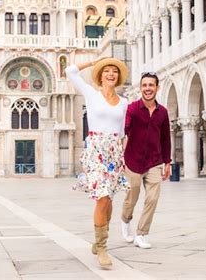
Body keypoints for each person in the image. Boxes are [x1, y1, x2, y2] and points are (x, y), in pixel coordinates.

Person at [65, 57, 130, 269]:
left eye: (114, 71)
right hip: (95, 150)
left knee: (108, 199)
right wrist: (94, 61)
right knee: (102, 198)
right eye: (106, 71)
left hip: (114, 152)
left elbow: (122, 133)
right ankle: (102, 247)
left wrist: (123, 157)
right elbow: (70, 71)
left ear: (117, 77)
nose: (110, 74)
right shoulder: (91, 94)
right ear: (100, 76)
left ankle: (99, 239)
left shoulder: (124, 102)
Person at [120, 71, 171, 249]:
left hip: (154, 162)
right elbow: (124, 128)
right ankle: (125, 221)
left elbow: (165, 138)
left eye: (151, 85)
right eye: (144, 85)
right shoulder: (132, 109)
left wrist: (168, 162)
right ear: (140, 88)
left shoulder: (163, 112)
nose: (147, 89)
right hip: (133, 161)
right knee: (131, 197)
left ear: (157, 87)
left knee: (152, 199)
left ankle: (141, 234)